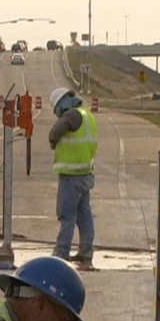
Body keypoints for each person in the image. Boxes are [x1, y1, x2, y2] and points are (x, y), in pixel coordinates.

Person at [46, 88, 97, 270]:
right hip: (84, 173)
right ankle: (85, 252)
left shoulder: (72, 115)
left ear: (62, 103)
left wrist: (53, 141)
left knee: (66, 215)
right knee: (84, 216)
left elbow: (55, 131)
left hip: (71, 176)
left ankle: (61, 252)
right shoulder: (86, 115)